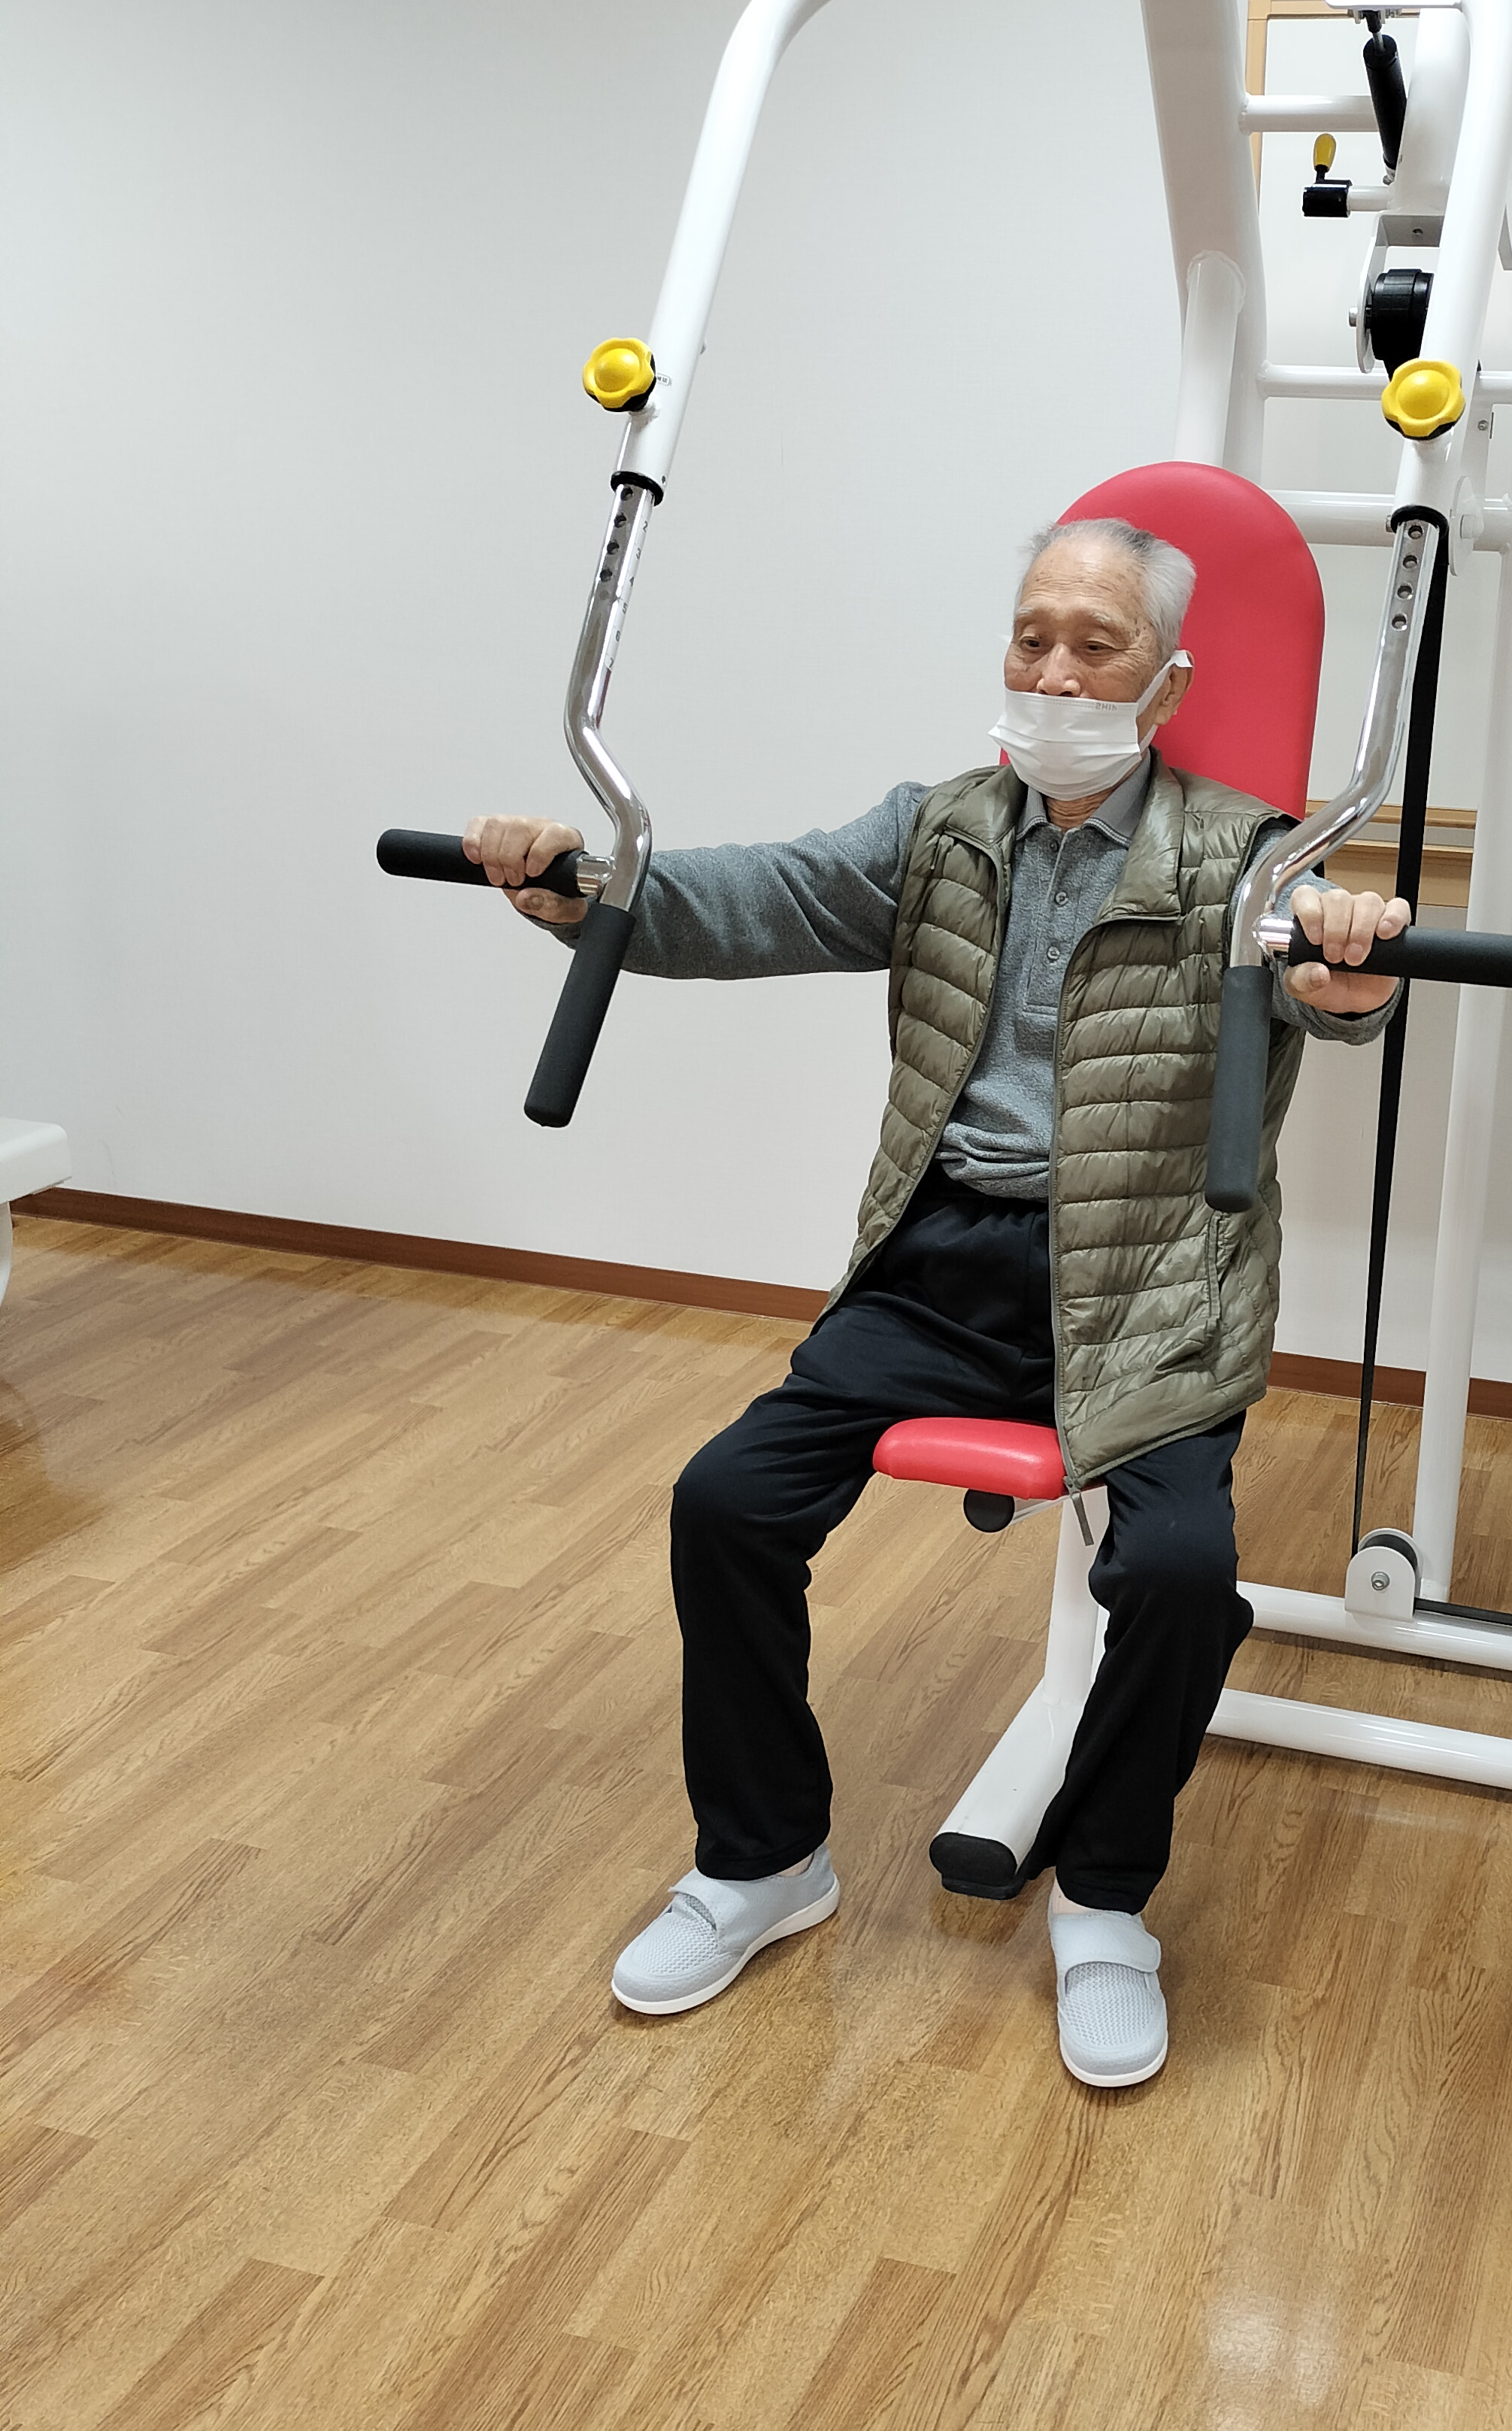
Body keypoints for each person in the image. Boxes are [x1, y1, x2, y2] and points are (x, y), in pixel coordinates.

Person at [469, 517, 1407, 2087]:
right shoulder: (943, 831)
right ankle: (765, 1860)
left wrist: (1352, 971)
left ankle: (1104, 1903)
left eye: (1096, 644)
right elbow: (746, 898)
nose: (1056, 671)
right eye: (1033, 636)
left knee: (1180, 1573)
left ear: (1167, 683)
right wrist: (580, 882)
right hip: (943, 1256)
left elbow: (1334, 980)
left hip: (1147, 1280)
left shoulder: (1252, 858)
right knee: (728, 1503)